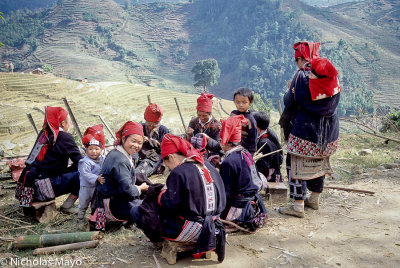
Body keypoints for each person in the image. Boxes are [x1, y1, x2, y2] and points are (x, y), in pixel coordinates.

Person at [130, 134, 227, 262]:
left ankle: (159, 241)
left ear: (170, 156)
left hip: (193, 229)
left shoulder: (179, 172)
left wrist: (162, 194)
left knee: (137, 211)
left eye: (167, 164)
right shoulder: (207, 165)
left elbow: (169, 206)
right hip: (214, 226)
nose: (170, 168)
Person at [278, 42, 340, 218]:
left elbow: (289, 101)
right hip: (328, 131)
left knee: (295, 164)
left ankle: (298, 206)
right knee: (319, 162)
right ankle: (314, 198)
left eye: (296, 60)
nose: (296, 64)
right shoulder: (331, 75)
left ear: (300, 58)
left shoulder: (301, 76)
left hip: (305, 131)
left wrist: (289, 89)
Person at [15, 106, 82, 213]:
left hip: (30, 185)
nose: (69, 125)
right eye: (68, 122)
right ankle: (67, 206)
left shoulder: (44, 133)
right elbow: (81, 162)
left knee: (77, 168)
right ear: (63, 123)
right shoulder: (64, 137)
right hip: (43, 189)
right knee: (84, 172)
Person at [89, 121, 149, 230]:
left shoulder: (117, 153)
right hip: (113, 204)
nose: (136, 145)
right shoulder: (120, 160)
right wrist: (140, 188)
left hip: (113, 197)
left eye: (139, 143)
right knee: (149, 207)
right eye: (133, 141)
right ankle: (127, 219)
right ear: (123, 139)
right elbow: (127, 190)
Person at [219, 115, 267, 230]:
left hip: (239, 207)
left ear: (224, 141)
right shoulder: (245, 153)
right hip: (254, 203)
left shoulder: (228, 162)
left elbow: (224, 193)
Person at [77, 125, 106, 227]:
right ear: (86, 150)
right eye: (91, 149)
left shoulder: (102, 159)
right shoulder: (85, 162)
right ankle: (80, 218)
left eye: (97, 149)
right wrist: (96, 178)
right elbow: (85, 174)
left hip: (97, 187)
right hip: (87, 187)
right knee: (84, 203)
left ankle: (93, 217)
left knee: (95, 202)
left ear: (101, 149)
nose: (94, 151)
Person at [135, 103, 169, 184]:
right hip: (140, 152)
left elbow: (165, 148)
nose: (151, 126)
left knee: (139, 172)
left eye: (154, 124)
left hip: (154, 157)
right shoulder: (141, 127)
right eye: (149, 123)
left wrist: (153, 142)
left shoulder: (163, 130)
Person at [186, 92, 222, 161]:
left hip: (210, 154)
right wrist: (189, 136)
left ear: (210, 113)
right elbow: (188, 142)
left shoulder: (217, 126)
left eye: (204, 116)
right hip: (194, 152)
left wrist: (207, 138)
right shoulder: (193, 122)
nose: (201, 118)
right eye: (199, 115)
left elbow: (218, 147)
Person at [253, 112, 283, 182]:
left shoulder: (264, 144)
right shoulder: (269, 138)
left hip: (270, 180)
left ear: (256, 126)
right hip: (274, 177)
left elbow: (263, 168)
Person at [230, 88, 257, 155]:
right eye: (238, 102)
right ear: (234, 102)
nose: (241, 105)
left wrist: (250, 154)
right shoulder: (233, 114)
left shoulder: (250, 120)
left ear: (250, 102)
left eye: (244, 102)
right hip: (230, 148)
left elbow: (253, 139)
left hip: (242, 152)